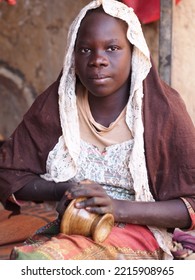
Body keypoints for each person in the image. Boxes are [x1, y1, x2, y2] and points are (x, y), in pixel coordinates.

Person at [0, 0, 195, 260]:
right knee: (24, 259)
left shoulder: (163, 110)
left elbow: (191, 205)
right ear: (72, 54)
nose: (98, 60)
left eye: (113, 48)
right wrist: (63, 189)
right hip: (71, 228)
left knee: (40, 263)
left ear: (134, 52)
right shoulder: (58, 106)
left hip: (139, 234)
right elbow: (11, 173)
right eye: (85, 50)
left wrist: (116, 208)